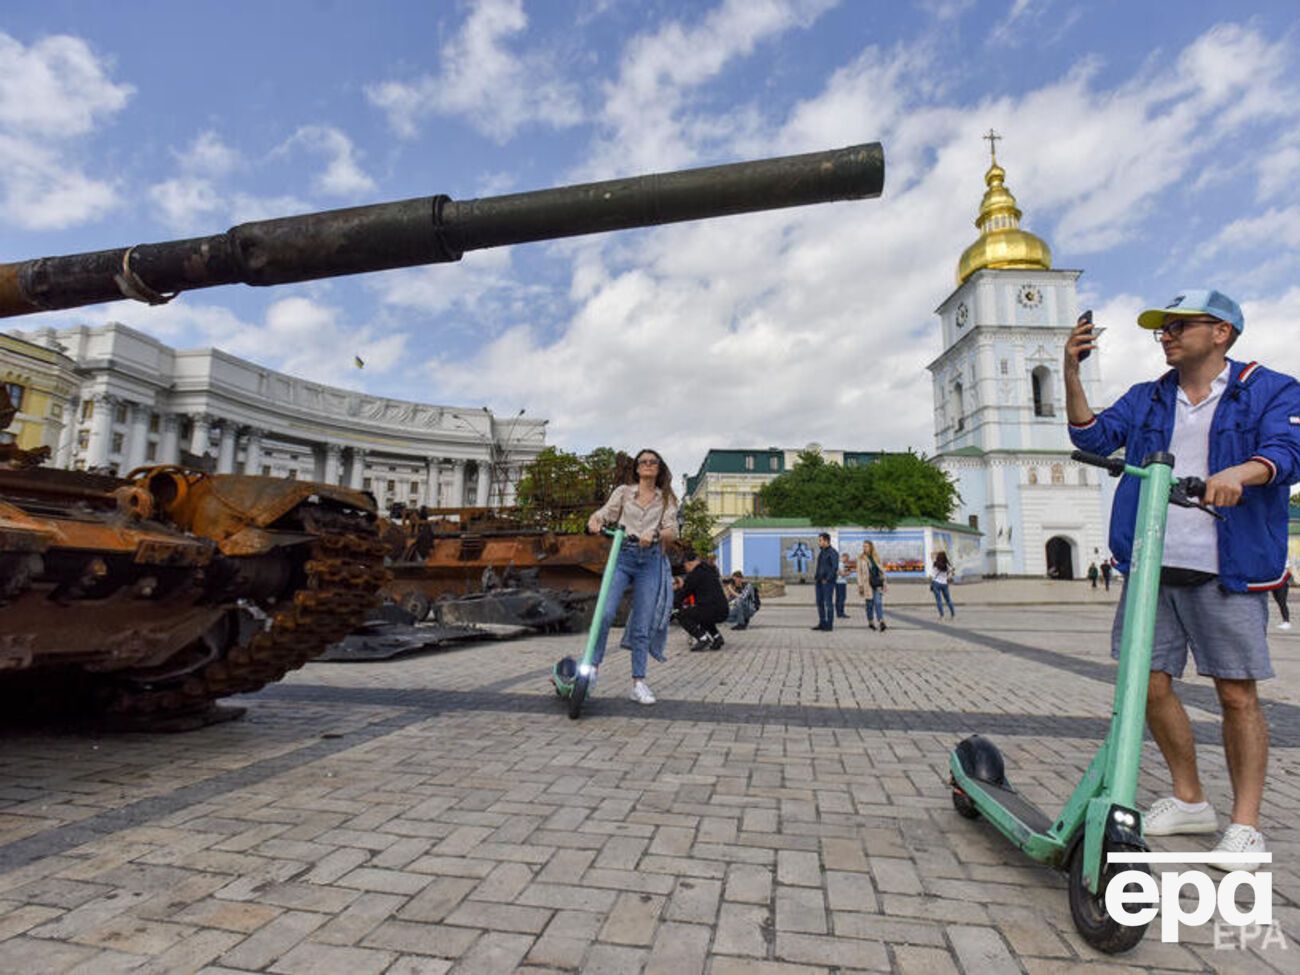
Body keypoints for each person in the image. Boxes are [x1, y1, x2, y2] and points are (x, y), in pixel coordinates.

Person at [1065, 288, 1300, 871]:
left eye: (1178, 326)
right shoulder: (1149, 398)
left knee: (1236, 694)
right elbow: (1092, 436)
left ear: (1221, 331)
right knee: (1147, 684)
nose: (1166, 335)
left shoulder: (1270, 388)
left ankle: (1245, 825)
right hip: (1151, 563)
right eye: (1161, 330)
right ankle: (1190, 798)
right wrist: (1071, 370)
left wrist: (1242, 474)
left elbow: (1290, 449)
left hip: (1229, 564)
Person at [586, 448, 678, 705]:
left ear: (658, 468)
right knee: (605, 613)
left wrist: (657, 535)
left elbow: (673, 530)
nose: (648, 465)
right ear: (637, 468)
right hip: (623, 557)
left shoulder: (666, 498)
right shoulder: (623, 492)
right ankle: (592, 670)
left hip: (650, 562)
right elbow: (604, 514)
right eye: (643, 462)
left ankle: (638, 682)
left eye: (653, 462)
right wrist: (594, 521)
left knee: (642, 623)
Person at [678, 549, 729, 650]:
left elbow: (683, 593)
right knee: (702, 614)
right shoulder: (710, 570)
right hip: (723, 610)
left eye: (685, 566)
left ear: (688, 563)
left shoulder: (695, 574)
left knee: (681, 614)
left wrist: (671, 603)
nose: (685, 569)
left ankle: (703, 639)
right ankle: (717, 638)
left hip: (711, 609)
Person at [857, 540, 887, 631]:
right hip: (867, 584)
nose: (864, 548)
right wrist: (860, 585)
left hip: (877, 583)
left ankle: (881, 621)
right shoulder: (861, 558)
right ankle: (870, 621)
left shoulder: (876, 557)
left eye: (866, 546)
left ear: (871, 547)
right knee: (869, 604)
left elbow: (882, 571)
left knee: (878, 602)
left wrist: (885, 583)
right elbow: (859, 573)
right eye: (863, 546)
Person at [812, 533, 838, 630]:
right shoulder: (822, 552)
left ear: (826, 541)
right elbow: (819, 566)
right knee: (819, 603)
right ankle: (822, 623)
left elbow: (834, 568)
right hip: (819, 581)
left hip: (827, 582)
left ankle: (829, 625)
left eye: (820, 540)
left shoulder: (833, 552)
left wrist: (827, 579)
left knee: (828, 603)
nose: (819, 542)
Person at [930, 551, 956, 618]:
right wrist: (952, 570)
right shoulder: (947, 565)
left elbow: (931, 554)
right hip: (944, 583)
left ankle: (942, 616)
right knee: (948, 600)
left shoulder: (935, 563)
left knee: (939, 600)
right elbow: (952, 574)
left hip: (936, 583)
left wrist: (936, 553)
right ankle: (953, 614)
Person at [835, 552, 853, 618]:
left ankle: (839, 613)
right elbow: (842, 573)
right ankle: (841, 613)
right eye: (847, 558)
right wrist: (847, 573)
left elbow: (845, 572)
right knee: (841, 598)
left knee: (839, 598)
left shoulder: (841, 564)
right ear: (844, 557)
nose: (847, 560)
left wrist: (847, 572)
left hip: (839, 582)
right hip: (840, 582)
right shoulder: (840, 564)